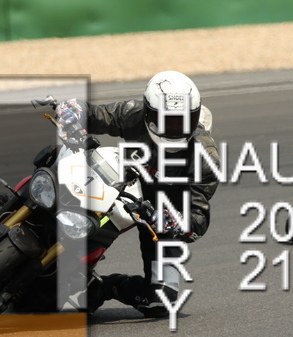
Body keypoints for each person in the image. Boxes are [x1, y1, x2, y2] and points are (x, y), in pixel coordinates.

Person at [55, 70, 220, 318]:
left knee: (161, 299)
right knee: (58, 158)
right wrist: (74, 110)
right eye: (166, 121)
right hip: (117, 183)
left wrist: (177, 222)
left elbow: (198, 216)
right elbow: (97, 114)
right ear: (149, 113)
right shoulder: (134, 114)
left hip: (159, 214)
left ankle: (102, 287)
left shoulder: (205, 159)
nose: (174, 129)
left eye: (181, 122)